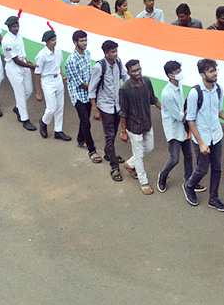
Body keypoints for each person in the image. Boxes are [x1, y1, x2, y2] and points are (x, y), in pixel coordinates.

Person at [183, 58, 224, 211]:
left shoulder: (218, 89)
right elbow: (190, 119)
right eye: (211, 71)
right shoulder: (194, 93)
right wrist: (201, 143)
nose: (215, 73)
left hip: (216, 136)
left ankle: (213, 199)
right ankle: (189, 186)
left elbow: (219, 111)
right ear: (203, 75)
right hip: (202, 137)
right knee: (203, 168)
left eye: (215, 70)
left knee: (217, 169)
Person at [118, 59, 160, 194]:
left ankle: (130, 164)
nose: (137, 72)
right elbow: (123, 112)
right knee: (138, 154)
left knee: (149, 147)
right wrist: (123, 131)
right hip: (133, 127)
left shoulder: (147, 82)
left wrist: (166, 110)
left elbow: (153, 99)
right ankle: (144, 182)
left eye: (138, 69)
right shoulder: (124, 89)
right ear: (128, 72)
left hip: (147, 123)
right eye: (134, 71)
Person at [90, 40, 128, 180]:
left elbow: (124, 77)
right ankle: (114, 167)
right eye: (112, 52)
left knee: (113, 132)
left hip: (116, 105)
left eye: (116, 51)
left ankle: (108, 154)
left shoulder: (118, 62)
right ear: (105, 53)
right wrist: (95, 109)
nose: (115, 54)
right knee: (109, 136)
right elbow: (92, 88)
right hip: (104, 106)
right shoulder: (99, 67)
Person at [157, 61, 192, 192]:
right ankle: (163, 175)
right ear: (170, 75)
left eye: (180, 70)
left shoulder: (179, 85)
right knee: (175, 158)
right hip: (174, 129)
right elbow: (177, 116)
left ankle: (190, 181)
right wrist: (190, 114)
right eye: (177, 72)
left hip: (183, 126)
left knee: (188, 156)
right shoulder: (167, 94)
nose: (180, 73)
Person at [64, 31, 99, 159]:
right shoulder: (71, 61)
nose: (84, 43)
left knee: (85, 118)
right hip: (78, 95)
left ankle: (80, 138)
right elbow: (79, 83)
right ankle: (91, 149)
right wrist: (94, 89)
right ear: (75, 43)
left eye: (85, 40)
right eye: (81, 41)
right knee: (86, 121)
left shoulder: (87, 54)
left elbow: (89, 73)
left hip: (88, 93)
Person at [1, 16, 37, 130]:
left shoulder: (19, 35)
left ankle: (17, 108)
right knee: (20, 93)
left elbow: (21, 54)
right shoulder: (7, 41)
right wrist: (31, 67)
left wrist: (27, 61)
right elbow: (16, 60)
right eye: (14, 27)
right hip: (13, 68)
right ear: (8, 27)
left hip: (23, 64)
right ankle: (25, 119)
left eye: (17, 26)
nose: (16, 28)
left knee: (29, 90)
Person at [34, 30, 70, 141]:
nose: (55, 42)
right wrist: (39, 92)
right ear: (46, 42)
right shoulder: (41, 56)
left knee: (60, 107)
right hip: (47, 81)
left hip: (57, 79)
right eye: (52, 40)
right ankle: (44, 122)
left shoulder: (58, 51)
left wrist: (62, 76)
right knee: (51, 108)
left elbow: (58, 65)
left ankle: (58, 131)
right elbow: (38, 74)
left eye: (55, 39)